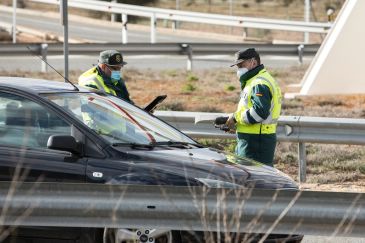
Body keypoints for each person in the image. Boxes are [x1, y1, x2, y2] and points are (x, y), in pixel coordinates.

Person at [225, 48, 282, 167]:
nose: (239, 69)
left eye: (241, 65)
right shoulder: (255, 81)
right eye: (237, 66)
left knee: (254, 180)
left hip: (256, 142)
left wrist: (236, 118)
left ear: (253, 62)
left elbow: (259, 113)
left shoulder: (259, 83)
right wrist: (237, 123)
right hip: (253, 139)